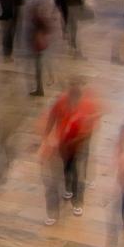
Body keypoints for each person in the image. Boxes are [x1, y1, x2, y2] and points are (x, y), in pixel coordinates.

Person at [41, 82, 99, 224]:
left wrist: (77, 141)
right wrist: (46, 137)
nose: (72, 102)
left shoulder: (86, 106)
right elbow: (52, 118)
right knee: (66, 168)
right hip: (63, 143)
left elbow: (89, 129)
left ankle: (77, 202)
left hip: (79, 143)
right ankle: (67, 190)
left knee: (77, 173)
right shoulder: (61, 103)